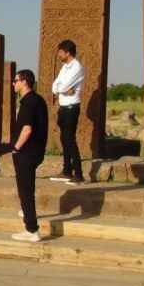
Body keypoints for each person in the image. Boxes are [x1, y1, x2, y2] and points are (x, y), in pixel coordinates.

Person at [10, 69, 48, 242]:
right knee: (28, 187)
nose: (13, 83)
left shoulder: (27, 102)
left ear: (24, 81)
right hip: (36, 151)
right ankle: (26, 212)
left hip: (26, 152)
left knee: (25, 190)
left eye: (16, 80)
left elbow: (27, 129)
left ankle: (31, 229)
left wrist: (16, 148)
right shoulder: (39, 100)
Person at [49, 39, 86, 186]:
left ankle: (79, 173)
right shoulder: (65, 67)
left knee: (70, 140)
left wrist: (62, 88)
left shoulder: (77, 67)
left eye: (60, 52)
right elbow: (55, 86)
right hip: (63, 107)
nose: (58, 55)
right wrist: (62, 89)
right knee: (64, 139)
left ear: (67, 52)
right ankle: (66, 170)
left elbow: (63, 85)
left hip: (71, 107)